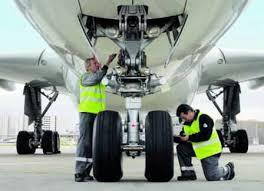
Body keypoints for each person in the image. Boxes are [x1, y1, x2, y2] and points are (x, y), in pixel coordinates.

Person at [74, 53, 117, 182]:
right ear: (88, 67)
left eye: (97, 64)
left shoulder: (99, 80)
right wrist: (107, 63)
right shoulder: (86, 77)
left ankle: (87, 172)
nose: (97, 65)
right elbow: (98, 77)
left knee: (94, 145)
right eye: (94, 64)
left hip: (98, 115)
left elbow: (110, 82)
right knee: (84, 142)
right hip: (87, 113)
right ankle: (79, 172)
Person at [174, 104, 235, 181]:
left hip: (211, 151)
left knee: (212, 176)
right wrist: (170, 138)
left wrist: (189, 137)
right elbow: (184, 139)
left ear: (189, 112)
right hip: (199, 150)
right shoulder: (186, 125)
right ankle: (188, 174)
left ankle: (228, 168)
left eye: (183, 117)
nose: (183, 120)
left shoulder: (204, 118)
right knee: (181, 148)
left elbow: (206, 136)